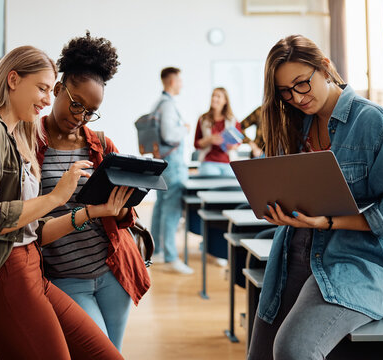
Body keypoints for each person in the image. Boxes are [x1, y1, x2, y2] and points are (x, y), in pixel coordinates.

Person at [0, 45, 127, 360]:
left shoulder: (17, 134)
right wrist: (55, 197)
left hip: (31, 266)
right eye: (41, 88)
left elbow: (31, 227)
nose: (47, 99)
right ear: (12, 79)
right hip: (5, 272)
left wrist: (94, 211)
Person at [248, 35, 383, 360]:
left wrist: (326, 222)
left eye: (301, 84)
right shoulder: (295, 124)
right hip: (292, 254)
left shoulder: (376, 124)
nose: (295, 97)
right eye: (285, 91)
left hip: (355, 264)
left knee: (293, 350)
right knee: (261, 356)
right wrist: (279, 207)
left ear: (325, 67)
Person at [36, 32, 150, 351]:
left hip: (112, 271)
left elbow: (125, 217)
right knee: (97, 352)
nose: (80, 117)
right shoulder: (30, 146)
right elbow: (30, 226)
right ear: (58, 89)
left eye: (90, 111)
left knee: (113, 351)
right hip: (64, 277)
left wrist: (125, 203)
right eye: (76, 104)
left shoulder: (100, 145)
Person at [150, 67, 193, 274]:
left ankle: (157, 251)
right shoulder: (167, 105)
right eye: (180, 80)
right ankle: (170, 257)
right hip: (172, 165)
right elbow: (168, 135)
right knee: (171, 210)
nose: (182, 84)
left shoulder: (159, 103)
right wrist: (184, 128)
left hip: (164, 163)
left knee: (161, 206)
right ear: (172, 81)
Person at [194, 87, 242, 176]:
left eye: (218, 96)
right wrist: (209, 140)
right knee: (210, 177)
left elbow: (238, 143)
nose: (214, 98)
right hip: (209, 161)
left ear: (225, 101)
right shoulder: (203, 119)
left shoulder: (233, 120)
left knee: (233, 182)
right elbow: (196, 144)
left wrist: (233, 146)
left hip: (229, 163)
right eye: (213, 96)